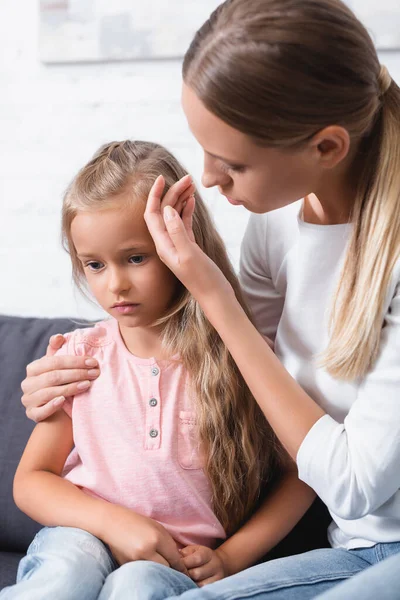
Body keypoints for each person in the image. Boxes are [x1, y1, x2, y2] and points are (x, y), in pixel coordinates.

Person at [19, 0, 400, 598]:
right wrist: (47, 382)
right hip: (350, 545)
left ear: (326, 148)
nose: (209, 180)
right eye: (205, 150)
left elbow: (343, 480)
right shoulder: (275, 231)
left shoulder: (385, 258)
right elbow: (250, 384)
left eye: (233, 162)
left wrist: (212, 292)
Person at [1, 140, 314, 600]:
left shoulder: (243, 357)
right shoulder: (80, 357)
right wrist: (116, 523)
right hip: (83, 534)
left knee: (138, 586)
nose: (115, 284)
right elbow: (31, 481)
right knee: (64, 574)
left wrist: (232, 557)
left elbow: (301, 474)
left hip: (178, 560)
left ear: (180, 244)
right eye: (94, 265)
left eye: (135, 257)